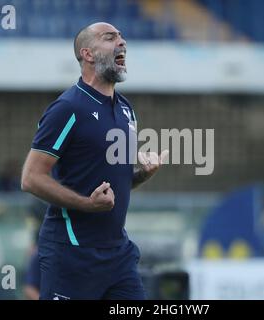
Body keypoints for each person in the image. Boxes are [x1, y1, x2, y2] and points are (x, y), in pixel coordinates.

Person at [21, 22, 168, 300]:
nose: (121, 42)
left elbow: (111, 185)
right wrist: (87, 204)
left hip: (118, 255)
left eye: (122, 37)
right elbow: (30, 178)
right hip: (71, 253)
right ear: (87, 54)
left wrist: (141, 174)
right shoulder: (68, 108)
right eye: (110, 37)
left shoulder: (126, 109)